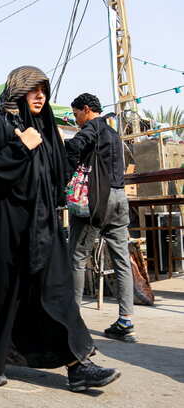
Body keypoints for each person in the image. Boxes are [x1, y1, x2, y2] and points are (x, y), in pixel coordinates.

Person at [0, 66, 121, 392]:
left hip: (38, 231)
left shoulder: (38, 129)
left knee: (55, 296)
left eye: (44, 89)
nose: (40, 96)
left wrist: (53, 151)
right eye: (33, 89)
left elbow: (54, 183)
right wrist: (20, 147)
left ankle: (78, 366)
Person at [66, 93, 137, 343]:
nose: (76, 121)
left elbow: (75, 146)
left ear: (86, 109)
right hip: (120, 198)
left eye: (76, 115)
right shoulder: (114, 133)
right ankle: (126, 320)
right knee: (121, 260)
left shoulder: (92, 127)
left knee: (76, 257)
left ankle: (72, 319)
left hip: (95, 200)